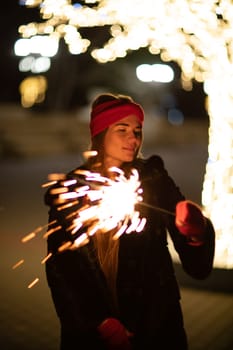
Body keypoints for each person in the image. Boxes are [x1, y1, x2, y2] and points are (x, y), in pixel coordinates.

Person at [44, 93, 215, 350]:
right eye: (121, 129)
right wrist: (98, 321)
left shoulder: (153, 181)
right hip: (98, 333)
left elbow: (195, 263)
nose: (133, 138)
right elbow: (62, 269)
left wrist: (196, 231)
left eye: (137, 130)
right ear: (100, 134)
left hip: (156, 324)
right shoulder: (72, 191)